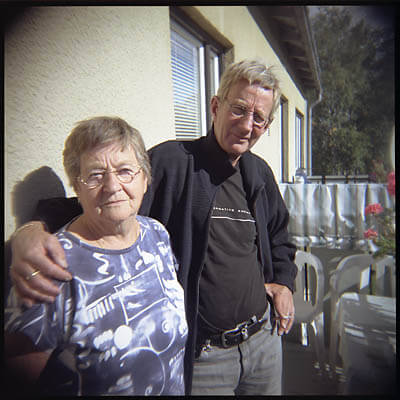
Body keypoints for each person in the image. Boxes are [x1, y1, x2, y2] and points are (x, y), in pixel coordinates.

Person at [9, 60, 297, 395]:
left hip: (263, 341)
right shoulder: (173, 162)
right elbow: (106, 200)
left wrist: (283, 282)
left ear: (267, 124)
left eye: (259, 118)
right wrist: (31, 230)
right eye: (239, 109)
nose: (247, 125)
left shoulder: (258, 173)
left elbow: (279, 235)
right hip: (207, 358)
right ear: (216, 107)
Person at [5, 116, 188, 396]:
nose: (112, 186)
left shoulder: (157, 235)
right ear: (77, 188)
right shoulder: (49, 265)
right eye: (95, 175)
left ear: (145, 178)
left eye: (125, 170)